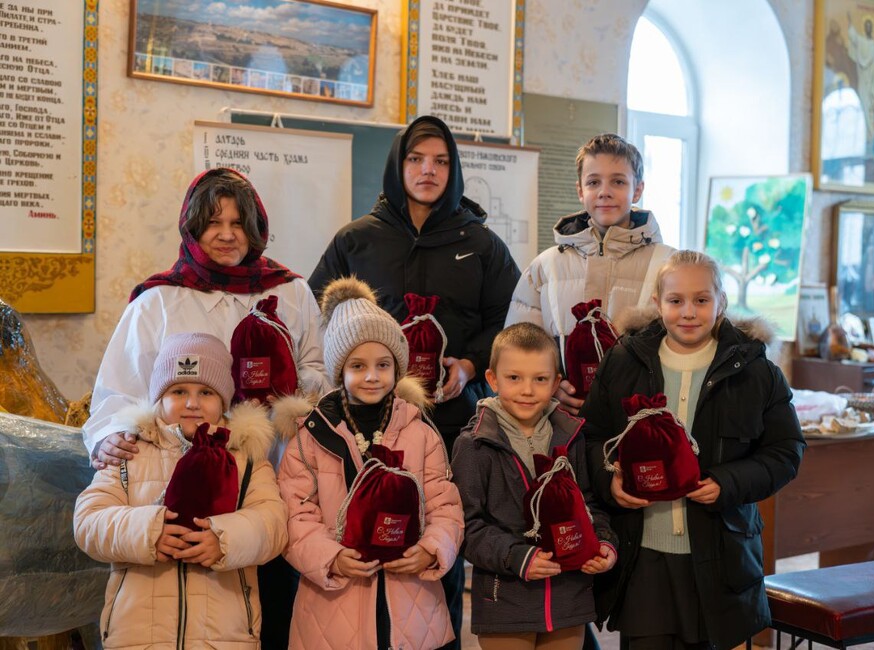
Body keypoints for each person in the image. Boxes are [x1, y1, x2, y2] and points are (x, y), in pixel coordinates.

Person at [82, 167, 327, 650]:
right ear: (192, 229)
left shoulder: (291, 292)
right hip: (175, 481)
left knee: (267, 606)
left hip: (274, 475)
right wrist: (109, 434)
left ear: (255, 228)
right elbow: (119, 388)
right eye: (213, 223)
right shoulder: (157, 301)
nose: (227, 235)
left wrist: (291, 397)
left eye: (239, 223)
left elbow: (317, 372)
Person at [308, 114, 521, 645]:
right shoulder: (355, 240)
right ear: (397, 165)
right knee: (355, 541)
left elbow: (509, 322)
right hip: (362, 427)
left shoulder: (482, 244)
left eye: (441, 161)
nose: (428, 170)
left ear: (454, 170)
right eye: (416, 159)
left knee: (436, 548)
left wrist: (471, 366)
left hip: (450, 423)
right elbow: (317, 318)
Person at [580, 250, 805, 650]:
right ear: (657, 303)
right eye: (675, 300)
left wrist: (727, 482)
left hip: (722, 556)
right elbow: (590, 437)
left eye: (701, 300)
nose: (688, 312)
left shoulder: (755, 370)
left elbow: (786, 451)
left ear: (722, 303)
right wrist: (608, 481)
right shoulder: (622, 362)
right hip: (642, 555)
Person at [277, 277, 463, 650]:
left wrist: (431, 548)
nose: (372, 376)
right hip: (333, 610)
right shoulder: (311, 434)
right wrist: (330, 558)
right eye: (357, 366)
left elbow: (445, 504)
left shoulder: (419, 429)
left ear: (397, 368)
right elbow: (295, 514)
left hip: (411, 606)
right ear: (339, 370)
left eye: (383, 365)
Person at [74, 333, 288, 648]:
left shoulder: (245, 458)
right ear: (159, 398)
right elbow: (88, 521)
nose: (192, 403)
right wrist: (147, 531)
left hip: (224, 635)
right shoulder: (129, 454)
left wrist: (224, 538)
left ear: (224, 401)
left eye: (205, 392)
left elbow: (274, 524)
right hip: (138, 634)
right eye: (178, 391)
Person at [452, 322, 617, 650]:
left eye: (540, 379)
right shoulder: (474, 445)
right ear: (492, 380)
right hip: (506, 599)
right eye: (514, 378)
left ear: (556, 382)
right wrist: (516, 556)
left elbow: (589, 504)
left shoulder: (572, 436)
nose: (527, 390)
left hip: (569, 596)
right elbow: (467, 527)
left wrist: (603, 542)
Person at [506, 133, 674, 416]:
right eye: (594, 182)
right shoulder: (545, 267)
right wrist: (548, 387)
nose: (604, 192)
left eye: (618, 181)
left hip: (640, 422)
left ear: (637, 190)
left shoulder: (667, 264)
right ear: (580, 190)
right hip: (560, 422)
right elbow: (520, 349)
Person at [846, 12, 874, 145]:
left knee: (870, 108)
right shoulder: (861, 41)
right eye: (867, 26)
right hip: (863, 81)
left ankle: (870, 137)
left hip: (871, 82)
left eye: (870, 26)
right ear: (865, 28)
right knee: (863, 105)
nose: (868, 28)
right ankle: (865, 136)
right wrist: (850, 23)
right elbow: (853, 37)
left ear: (872, 28)